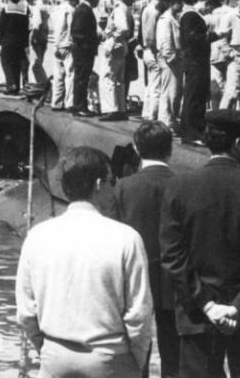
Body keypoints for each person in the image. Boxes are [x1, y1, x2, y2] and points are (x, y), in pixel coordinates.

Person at [160, 109, 240, 378]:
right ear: (239, 143)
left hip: (197, 317)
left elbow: (172, 256)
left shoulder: (178, 188)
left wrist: (207, 305)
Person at [16, 147, 153, 378]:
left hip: (55, 355)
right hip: (109, 356)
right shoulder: (126, 238)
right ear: (99, 184)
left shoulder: (37, 235)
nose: (114, 187)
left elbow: (27, 312)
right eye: (112, 181)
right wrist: (135, 364)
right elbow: (138, 315)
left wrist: (47, 349)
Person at [105, 122, 180, 378]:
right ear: (170, 150)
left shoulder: (124, 187)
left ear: (136, 148)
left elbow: (113, 236)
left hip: (135, 279)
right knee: (174, 354)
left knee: (137, 352)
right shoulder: (183, 184)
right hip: (175, 282)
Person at [180, 0, 212, 145]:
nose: (207, 7)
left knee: (197, 96)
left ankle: (193, 131)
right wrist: (213, 36)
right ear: (198, 2)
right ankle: (192, 133)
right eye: (205, 3)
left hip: (197, 62)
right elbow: (191, 38)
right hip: (195, 62)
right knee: (194, 97)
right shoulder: (190, 16)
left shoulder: (191, 15)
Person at [99, 0, 132, 121]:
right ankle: (120, 108)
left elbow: (123, 28)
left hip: (115, 45)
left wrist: (111, 36)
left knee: (107, 77)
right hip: (122, 46)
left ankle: (110, 109)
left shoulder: (118, 9)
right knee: (119, 79)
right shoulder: (125, 8)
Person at [156, 0, 184, 136]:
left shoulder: (173, 18)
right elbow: (165, 42)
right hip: (169, 62)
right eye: (180, 2)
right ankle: (166, 123)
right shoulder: (166, 19)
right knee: (169, 94)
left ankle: (170, 122)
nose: (182, 5)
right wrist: (172, 58)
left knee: (174, 93)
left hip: (174, 62)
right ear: (173, 3)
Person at [70, 0, 101, 116]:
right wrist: (94, 39)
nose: (98, 2)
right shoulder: (84, 10)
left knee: (81, 78)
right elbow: (77, 32)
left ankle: (78, 104)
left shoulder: (83, 9)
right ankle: (80, 107)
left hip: (83, 50)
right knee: (82, 78)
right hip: (83, 50)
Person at [140, 0, 168, 121]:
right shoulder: (154, 10)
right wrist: (157, 50)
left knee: (152, 84)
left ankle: (147, 113)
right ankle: (153, 116)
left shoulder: (148, 8)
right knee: (157, 87)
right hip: (153, 51)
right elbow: (150, 35)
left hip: (148, 51)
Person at [0, 0, 30, 95]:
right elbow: (26, 28)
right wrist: (26, 43)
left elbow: (0, 26)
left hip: (8, 41)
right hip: (20, 42)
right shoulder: (25, 9)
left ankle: (11, 85)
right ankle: (16, 86)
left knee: (6, 62)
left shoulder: (6, 9)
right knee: (17, 64)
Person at [51, 0, 79, 111]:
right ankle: (69, 103)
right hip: (67, 44)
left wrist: (56, 44)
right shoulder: (71, 11)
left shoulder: (56, 9)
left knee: (57, 75)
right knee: (70, 74)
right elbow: (71, 28)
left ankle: (56, 103)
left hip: (56, 44)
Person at [206, 0, 232, 109]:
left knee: (216, 86)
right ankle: (229, 112)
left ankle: (216, 113)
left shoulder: (210, 14)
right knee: (230, 86)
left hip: (215, 53)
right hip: (231, 51)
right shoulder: (231, 11)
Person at [26, 0, 49, 85]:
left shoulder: (36, 7)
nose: (27, 0)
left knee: (35, 65)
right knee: (38, 63)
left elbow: (36, 24)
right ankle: (42, 85)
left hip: (36, 38)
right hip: (43, 38)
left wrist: (32, 37)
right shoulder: (43, 7)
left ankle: (44, 85)